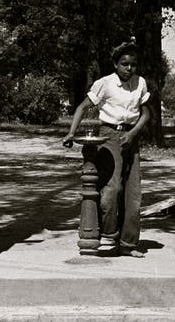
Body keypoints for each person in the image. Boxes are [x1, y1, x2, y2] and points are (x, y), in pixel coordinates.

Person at [62, 42, 151, 258]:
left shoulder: (140, 83)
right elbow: (83, 107)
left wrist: (132, 134)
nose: (129, 69)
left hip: (131, 136)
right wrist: (71, 133)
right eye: (124, 64)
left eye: (133, 65)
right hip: (109, 135)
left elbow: (146, 114)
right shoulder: (105, 84)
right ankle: (107, 232)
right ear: (115, 64)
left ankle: (128, 244)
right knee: (111, 191)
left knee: (133, 194)